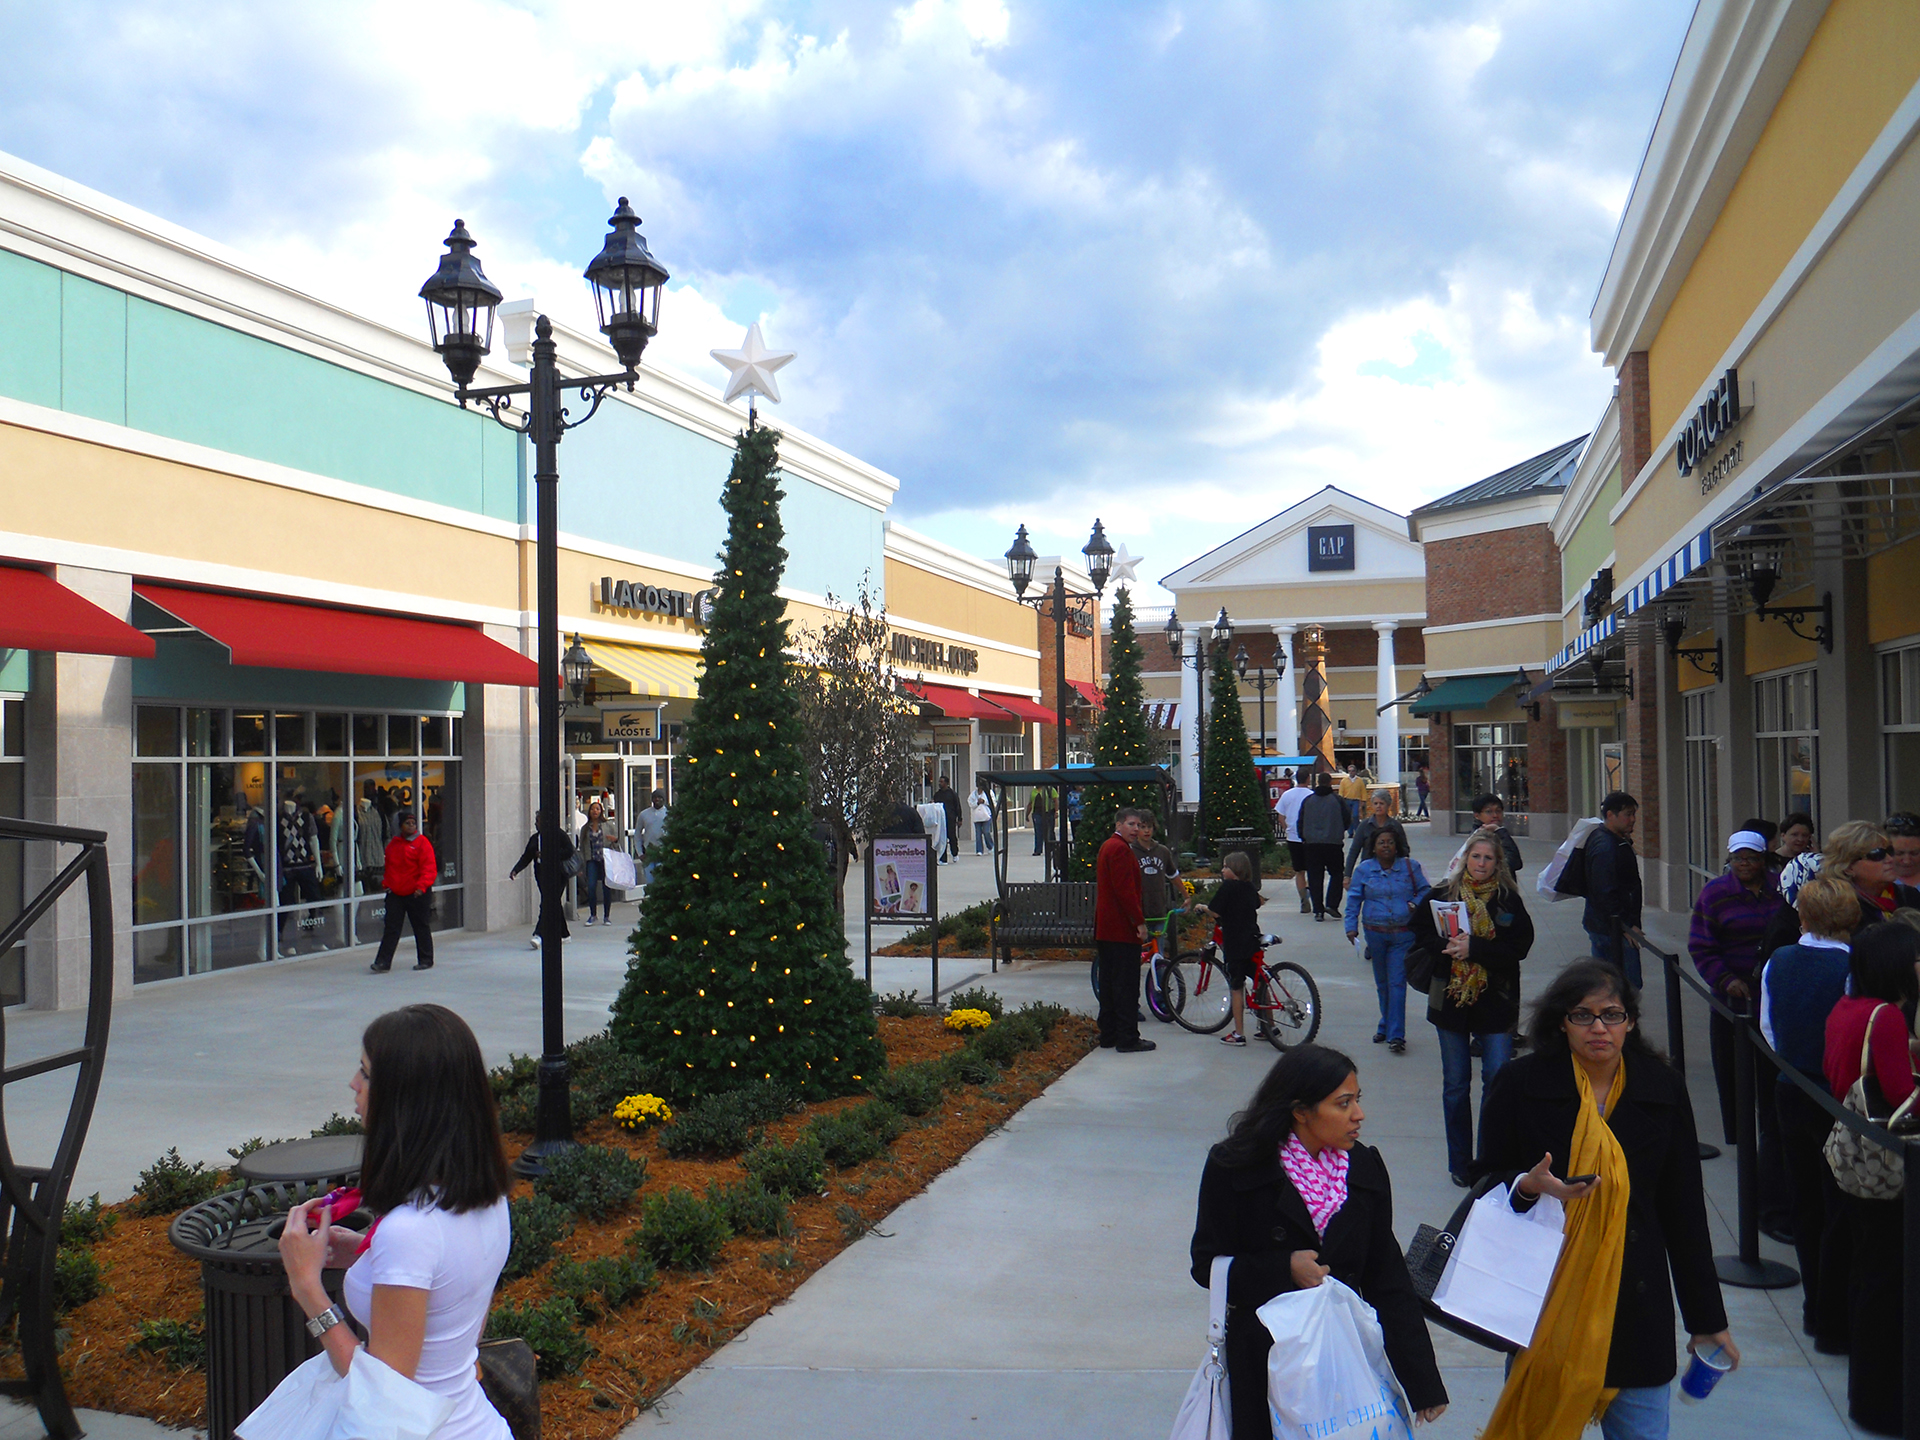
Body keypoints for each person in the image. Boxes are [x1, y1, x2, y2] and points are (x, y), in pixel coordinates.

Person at [1474, 960, 1736, 1440]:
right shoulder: (1520, 1084)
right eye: (1583, 1015)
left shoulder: (1662, 1088)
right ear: (1561, 1022)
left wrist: (1707, 1320)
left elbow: (1684, 1213)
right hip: (1548, 1302)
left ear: (1630, 1022)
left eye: (1612, 1015)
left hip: (1635, 1307)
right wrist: (1528, 1187)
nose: (1599, 1028)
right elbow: (1486, 1180)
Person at [276, 1004, 515, 1440]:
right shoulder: (488, 1199)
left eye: (366, 1073)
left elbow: (384, 1395)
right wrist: (365, 1254)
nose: (354, 1083)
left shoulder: (410, 1230)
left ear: (407, 1099)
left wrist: (307, 1287)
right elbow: (455, 1316)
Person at [1189, 1046, 1448, 1436]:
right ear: (1301, 1111)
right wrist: (1283, 1269)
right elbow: (1206, 1265)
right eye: (1343, 1104)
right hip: (1265, 1359)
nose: (1358, 1115)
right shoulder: (1236, 1166)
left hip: (1344, 1354)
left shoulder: (1363, 1169)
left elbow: (1387, 1279)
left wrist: (1422, 1379)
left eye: (1357, 1100)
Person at [1823, 923, 1920, 1435]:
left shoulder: (1848, 1006)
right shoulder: (1886, 1016)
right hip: (1885, 1167)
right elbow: (1902, 1094)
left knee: (1866, 1272)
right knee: (1888, 1285)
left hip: (1854, 1159)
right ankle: (1882, 1403)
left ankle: (1867, 1393)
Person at [1758, 873, 1859, 1356]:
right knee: (1839, 1206)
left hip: (1791, 1087)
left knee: (1805, 1202)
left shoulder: (1779, 960)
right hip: (1837, 1097)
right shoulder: (1852, 967)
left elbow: (1768, 1027)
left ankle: (1814, 1307)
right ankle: (1834, 1315)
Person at [1410, 828, 1532, 1186]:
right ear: (1466, 860)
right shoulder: (1443, 895)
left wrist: (1474, 949)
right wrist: (1446, 948)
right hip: (1451, 1001)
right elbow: (1418, 931)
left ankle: (1490, 1161)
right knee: (1456, 1084)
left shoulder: (1508, 901)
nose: (1481, 863)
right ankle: (1461, 1164)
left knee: (1496, 1080)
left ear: (1497, 863)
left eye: (1488, 858)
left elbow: (1519, 948)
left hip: (1496, 1003)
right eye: (1476, 857)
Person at [1688, 830, 1790, 1166]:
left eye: (1751, 858)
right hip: (1732, 998)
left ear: (1763, 860)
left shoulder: (1780, 889)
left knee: (1770, 1071)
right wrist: (1725, 979)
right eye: (1738, 858)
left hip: (1773, 995)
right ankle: (1741, 1138)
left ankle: (1772, 1136)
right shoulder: (1715, 893)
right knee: (1733, 1071)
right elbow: (1701, 945)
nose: (1744, 864)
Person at [1344, 826, 1428, 1056]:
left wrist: (1414, 903)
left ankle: (1396, 1035)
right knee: (1383, 983)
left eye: (1390, 842)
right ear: (1373, 847)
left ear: (1397, 845)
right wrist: (1350, 926)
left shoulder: (1410, 867)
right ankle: (1386, 1024)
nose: (1386, 846)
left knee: (1397, 983)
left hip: (1403, 934)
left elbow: (1426, 891)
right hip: (1375, 933)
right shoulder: (1364, 870)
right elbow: (1354, 899)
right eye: (1381, 842)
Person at [1761, 821, 1898, 959]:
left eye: (1890, 851)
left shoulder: (1904, 896)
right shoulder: (1831, 907)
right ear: (1848, 866)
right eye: (1877, 854)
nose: (1890, 859)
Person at [1094, 807, 1153, 1053]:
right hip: (1120, 929)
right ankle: (1127, 1037)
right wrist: (1139, 922)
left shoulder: (1109, 846)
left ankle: (1109, 1034)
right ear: (1118, 824)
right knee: (1125, 985)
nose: (1136, 829)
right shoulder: (1119, 849)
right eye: (1131, 824)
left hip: (1106, 929)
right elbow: (1125, 891)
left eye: (1138, 825)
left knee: (1108, 982)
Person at [1582, 791, 1643, 989]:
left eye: (1633, 814)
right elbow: (1605, 892)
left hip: (1608, 926)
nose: (1632, 819)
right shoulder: (1606, 847)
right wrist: (1626, 926)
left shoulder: (1612, 840)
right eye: (1627, 814)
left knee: (1613, 984)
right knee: (1624, 986)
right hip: (1611, 931)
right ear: (1610, 815)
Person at [1207, 850, 1263, 1047]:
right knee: (1260, 980)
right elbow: (1257, 903)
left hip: (1235, 943)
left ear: (1236, 870)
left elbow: (1215, 911)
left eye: (1226, 867)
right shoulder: (1250, 887)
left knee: (1237, 986)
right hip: (1252, 940)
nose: (1222, 870)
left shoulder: (1228, 887)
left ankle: (1239, 1033)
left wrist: (1203, 908)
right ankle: (1269, 1027)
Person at [370, 811, 436, 973]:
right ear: (400, 826)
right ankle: (383, 962)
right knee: (391, 928)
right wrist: (387, 884)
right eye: (407, 823)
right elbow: (390, 868)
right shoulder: (393, 845)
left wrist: (421, 887)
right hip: (396, 893)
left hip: (417, 893)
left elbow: (429, 868)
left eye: (413, 823)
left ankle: (426, 959)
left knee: (421, 926)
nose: (411, 826)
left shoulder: (422, 843)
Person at [507, 812, 575, 951]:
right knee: (553, 903)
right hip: (542, 874)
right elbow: (526, 857)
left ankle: (539, 934)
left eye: (539, 821)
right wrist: (516, 870)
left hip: (558, 874)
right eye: (536, 821)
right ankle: (564, 934)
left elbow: (569, 851)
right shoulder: (535, 839)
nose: (536, 824)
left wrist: (550, 854)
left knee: (547, 902)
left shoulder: (559, 835)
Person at [1296, 772, 1347, 922]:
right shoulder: (1337, 800)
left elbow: (1300, 821)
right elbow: (1347, 819)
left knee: (1315, 877)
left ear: (1318, 782)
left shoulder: (1308, 800)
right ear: (1330, 782)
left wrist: (1304, 837)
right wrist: (1339, 830)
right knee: (1337, 874)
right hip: (1333, 842)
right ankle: (1332, 904)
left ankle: (1318, 910)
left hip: (1312, 844)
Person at [1343, 790, 1408, 877]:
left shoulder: (1395, 826)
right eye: (1376, 803)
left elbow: (1404, 850)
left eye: (1381, 803)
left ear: (1388, 805)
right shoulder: (1364, 825)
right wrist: (1347, 875)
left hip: (1391, 871)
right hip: (1368, 872)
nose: (1378, 806)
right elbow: (1354, 851)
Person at [1275, 773, 1313, 915]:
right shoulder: (1311, 795)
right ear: (1308, 779)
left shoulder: (1287, 795)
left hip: (1293, 837)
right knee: (1313, 870)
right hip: (1309, 838)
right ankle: (1313, 895)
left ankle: (1303, 899)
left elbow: (1280, 817)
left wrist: (1288, 829)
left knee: (1299, 871)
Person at [1469, 793, 1524, 876]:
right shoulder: (1480, 838)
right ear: (1477, 815)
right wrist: (1500, 831)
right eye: (1489, 812)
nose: (1495, 815)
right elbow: (1514, 863)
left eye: (1498, 811)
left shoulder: (1497, 833)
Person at [575, 801, 611, 926]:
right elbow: (582, 845)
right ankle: (593, 915)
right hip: (591, 860)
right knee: (591, 887)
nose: (595, 811)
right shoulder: (585, 828)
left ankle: (606, 916)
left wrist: (614, 840)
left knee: (606, 887)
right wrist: (582, 862)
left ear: (601, 811)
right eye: (592, 809)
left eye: (597, 809)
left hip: (605, 860)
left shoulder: (607, 825)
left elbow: (616, 839)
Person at [634, 789, 670, 885]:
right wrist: (640, 853)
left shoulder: (669, 813)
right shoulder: (644, 814)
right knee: (650, 883)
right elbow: (637, 834)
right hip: (648, 854)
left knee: (662, 882)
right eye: (655, 797)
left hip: (664, 853)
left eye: (659, 797)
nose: (657, 799)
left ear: (664, 799)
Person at [1774, 810, 1816, 877]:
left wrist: (1816, 856)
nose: (1800, 839)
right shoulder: (1772, 861)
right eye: (1794, 835)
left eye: (1804, 835)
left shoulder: (1811, 859)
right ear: (1783, 836)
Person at [933, 778, 963, 864]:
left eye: (942, 782)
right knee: (942, 838)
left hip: (950, 819)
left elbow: (957, 806)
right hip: (940, 820)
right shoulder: (937, 794)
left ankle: (955, 853)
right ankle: (943, 858)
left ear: (946, 783)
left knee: (952, 837)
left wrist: (959, 818)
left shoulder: (952, 794)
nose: (940, 783)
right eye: (939, 781)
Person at [1337, 764, 1368, 836]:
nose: (1351, 772)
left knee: (1355, 816)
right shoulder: (1344, 781)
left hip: (1356, 800)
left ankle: (1357, 831)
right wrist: (1341, 801)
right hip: (1346, 800)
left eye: (1353, 771)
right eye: (1349, 771)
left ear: (1355, 771)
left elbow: (1363, 791)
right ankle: (1350, 832)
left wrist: (1363, 800)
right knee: (1348, 816)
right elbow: (1341, 791)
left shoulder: (1359, 781)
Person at [969, 781, 994, 855]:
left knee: (986, 832)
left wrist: (984, 801)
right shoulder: (973, 794)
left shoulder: (989, 792)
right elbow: (970, 803)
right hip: (977, 817)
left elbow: (993, 802)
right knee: (978, 834)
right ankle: (979, 850)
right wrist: (977, 803)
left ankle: (990, 846)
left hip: (986, 815)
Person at [1029, 790, 1052, 857]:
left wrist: (1056, 811)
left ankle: (1050, 849)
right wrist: (1027, 814)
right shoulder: (1033, 792)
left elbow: (1055, 799)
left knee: (1048, 832)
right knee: (1038, 832)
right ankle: (1038, 850)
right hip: (1036, 813)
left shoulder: (1049, 789)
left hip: (1047, 813)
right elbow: (1030, 803)